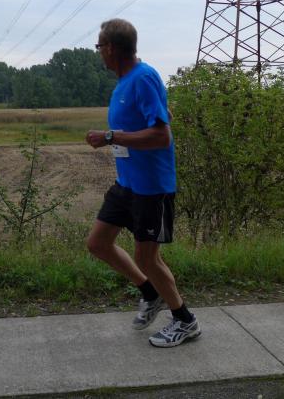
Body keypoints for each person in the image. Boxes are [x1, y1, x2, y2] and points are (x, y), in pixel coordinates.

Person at [85, 18, 200, 348]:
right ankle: (150, 293)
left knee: (148, 258)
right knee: (98, 243)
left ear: (111, 48)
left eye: (99, 47)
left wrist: (110, 137)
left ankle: (185, 321)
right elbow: (158, 116)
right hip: (127, 183)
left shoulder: (143, 76)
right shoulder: (125, 81)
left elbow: (162, 136)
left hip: (152, 187)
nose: (99, 53)